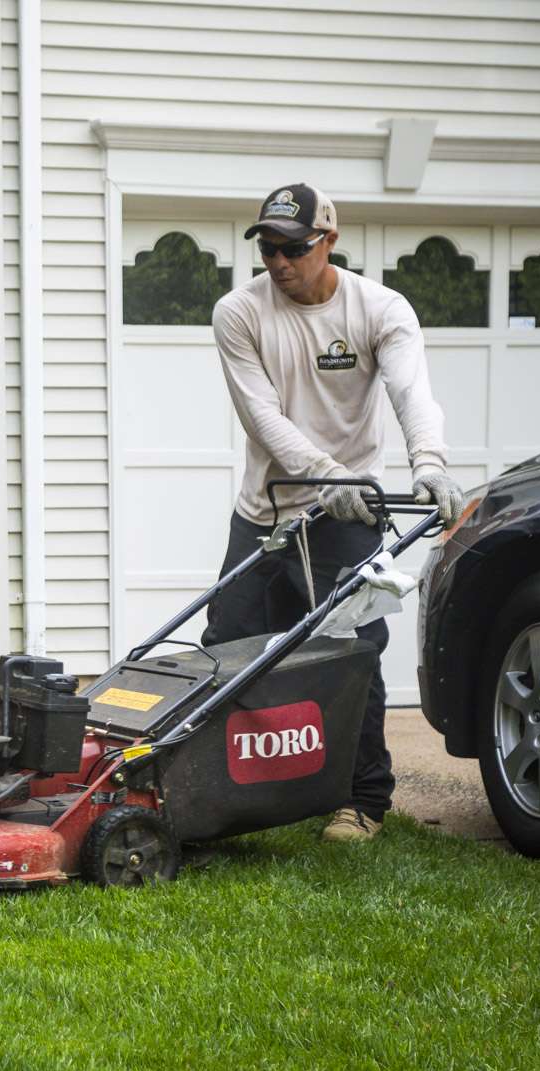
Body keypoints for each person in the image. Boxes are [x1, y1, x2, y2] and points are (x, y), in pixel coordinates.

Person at [204, 183, 464, 842]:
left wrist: (429, 464)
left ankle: (363, 801)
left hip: (349, 517)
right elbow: (262, 417)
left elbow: (410, 390)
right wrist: (325, 476)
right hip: (266, 512)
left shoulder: (380, 309)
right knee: (229, 650)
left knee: (354, 653)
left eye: (293, 247)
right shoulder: (239, 312)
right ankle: (227, 793)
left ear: (329, 242)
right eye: (267, 247)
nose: (279, 261)